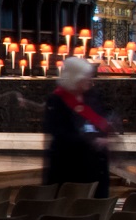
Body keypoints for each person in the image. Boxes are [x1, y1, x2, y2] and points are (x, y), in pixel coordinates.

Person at [42, 56, 114, 195]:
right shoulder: (57, 100)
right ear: (75, 78)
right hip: (69, 165)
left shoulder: (92, 96)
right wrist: (90, 141)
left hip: (95, 164)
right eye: (86, 77)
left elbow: (102, 120)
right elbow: (58, 132)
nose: (89, 80)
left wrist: (105, 135)